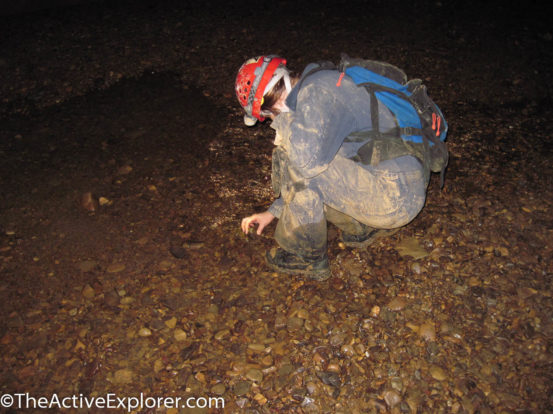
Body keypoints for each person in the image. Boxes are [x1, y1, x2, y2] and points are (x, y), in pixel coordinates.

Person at [235, 55, 439, 281]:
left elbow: (304, 165)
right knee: (308, 155)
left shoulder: (317, 92)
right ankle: (362, 226)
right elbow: (328, 164)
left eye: (265, 113)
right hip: (400, 190)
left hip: (393, 195)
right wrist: (273, 212)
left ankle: (304, 255)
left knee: (292, 152)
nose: (269, 118)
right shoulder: (325, 85)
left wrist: (284, 121)